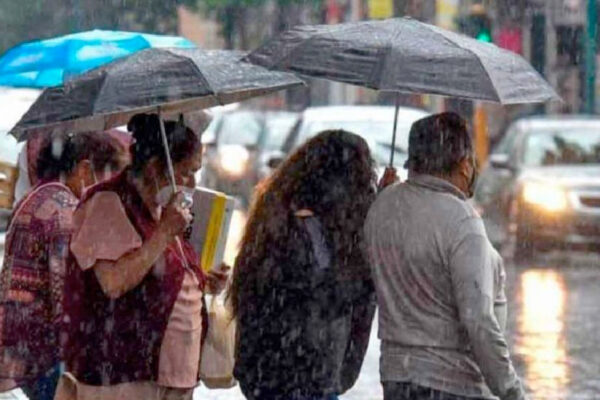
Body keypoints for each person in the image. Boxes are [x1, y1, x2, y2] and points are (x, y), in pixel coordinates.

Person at [61, 112, 228, 400]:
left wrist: (202, 280)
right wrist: (164, 233)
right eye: (186, 171)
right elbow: (113, 282)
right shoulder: (108, 202)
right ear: (154, 167)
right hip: (123, 374)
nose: (192, 182)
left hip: (172, 373)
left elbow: (159, 272)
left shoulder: (163, 207)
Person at [365, 112, 527, 400]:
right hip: (452, 385)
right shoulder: (462, 221)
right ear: (464, 164)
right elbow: (478, 319)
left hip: (396, 380)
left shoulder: (382, 207)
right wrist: (512, 390)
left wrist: (382, 197)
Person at [230, 130, 377, 400]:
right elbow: (332, 296)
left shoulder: (281, 218)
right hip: (300, 379)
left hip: (276, 376)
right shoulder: (307, 232)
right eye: (363, 179)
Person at [0, 131, 126, 400]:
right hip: (48, 356)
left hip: (22, 349)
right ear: (84, 170)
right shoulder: (66, 214)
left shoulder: (39, 195)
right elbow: (67, 300)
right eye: (111, 182)